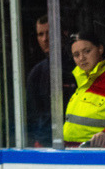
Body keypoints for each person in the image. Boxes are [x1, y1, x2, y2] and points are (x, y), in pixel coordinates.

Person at [25, 15, 74, 147]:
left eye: (49, 33)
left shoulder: (79, 67)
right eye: (40, 34)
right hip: (47, 144)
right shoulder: (36, 73)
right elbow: (32, 117)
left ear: (64, 33)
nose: (45, 39)